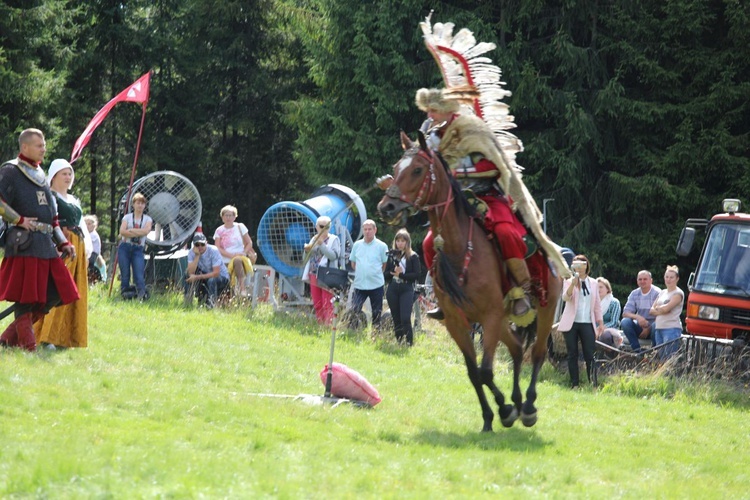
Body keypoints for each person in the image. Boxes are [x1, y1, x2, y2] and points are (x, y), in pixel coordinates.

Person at [411, 88, 566, 327]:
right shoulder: (431, 136)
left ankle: (520, 292)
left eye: (433, 109)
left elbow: (494, 166)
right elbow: (419, 164)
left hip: (487, 196)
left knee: (505, 233)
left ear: (446, 109)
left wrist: (456, 172)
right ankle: (445, 297)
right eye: (427, 110)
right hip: (455, 201)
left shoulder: (472, 130)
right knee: (429, 243)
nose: (429, 114)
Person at [0, 129, 79, 351]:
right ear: (25, 147)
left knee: (54, 294)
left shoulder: (41, 174)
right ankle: (28, 347)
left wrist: (63, 241)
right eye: (38, 145)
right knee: (26, 299)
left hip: (45, 245)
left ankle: (6, 339)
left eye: (43, 144)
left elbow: (52, 217)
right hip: (24, 243)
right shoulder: (10, 171)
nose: (43, 148)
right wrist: (18, 219)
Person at [33, 159, 92, 350]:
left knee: (75, 291)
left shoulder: (73, 200)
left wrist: (87, 249)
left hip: (78, 245)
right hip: (62, 245)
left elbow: (82, 225)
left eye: (69, 174)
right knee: (57, 291)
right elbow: (49, 223)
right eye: (63, 174)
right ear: (54, 176)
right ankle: (47, 336)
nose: (67, 177)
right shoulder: (50, 197)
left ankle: (67, 337)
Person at [558, 255, 604, 388]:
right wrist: (573, 284)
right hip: (571, 323)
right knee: (572, 354)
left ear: (586, 266)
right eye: (576, 265)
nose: (579, 267)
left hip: (587, 322)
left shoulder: (594, 283)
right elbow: (565, 298)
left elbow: (596, 305)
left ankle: (593, 384)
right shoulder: (569, 281)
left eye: (582, 264)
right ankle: (575, 384)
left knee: (590, 354)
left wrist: (600, 322)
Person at [348, 219, 388, 329]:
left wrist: (373, 272)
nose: (367, 232)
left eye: (370, 229)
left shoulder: (382, 246)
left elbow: (384, 264)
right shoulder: (357, 245)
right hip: (360, 285)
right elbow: (353, 263)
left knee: (376, 312)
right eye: (365, 229)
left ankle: (375, 333)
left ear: (375, 230)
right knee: (354, 309)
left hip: (376, 284)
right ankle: (354, 331)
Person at [302, 215, 342, 325]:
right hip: (313, 273)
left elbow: (333, 256)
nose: (324, 229)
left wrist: (322, 244)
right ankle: (320, 324)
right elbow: (305, 259)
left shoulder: (334, 239)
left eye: (327, 226)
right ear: (316, 227)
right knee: (317, 302)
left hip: (327, 274)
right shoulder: (313, 238)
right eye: (321, 226)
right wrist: (306, 251)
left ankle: (328, 326)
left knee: (327, 302)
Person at [384, 229, 421, 345]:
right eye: (398, 241)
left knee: (405, 317)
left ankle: (409, 343)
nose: (400, 243)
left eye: (402, 241)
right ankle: (399, 342)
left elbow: (416, 274)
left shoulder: (413, 256)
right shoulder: (391, 256)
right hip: (393, 288)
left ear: (407, 242)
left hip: (406, 288)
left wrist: (402, 275)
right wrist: (392, 272)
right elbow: (385, 275)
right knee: (396, 318)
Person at [213, 205, 257, 297]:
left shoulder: (240, 227)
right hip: (225, 259)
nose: (228, 217)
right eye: (226, 215)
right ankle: (228, 297)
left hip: (240, 257)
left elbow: (249, 242)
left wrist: (244, 253)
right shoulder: (219, 230)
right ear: (222, 217)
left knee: (237, 260)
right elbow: (217, 247)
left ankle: (242, 288)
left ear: (234, 216)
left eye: (230, 215)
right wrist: (231, 255)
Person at [117, 192, 153, 300]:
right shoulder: (127, 217)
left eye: (142, 203)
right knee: (125, 273)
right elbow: (122, 232)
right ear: (133, 204)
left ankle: (141, 295)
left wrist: (131, 230)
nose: (140, 205)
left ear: (145, 206)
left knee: (138, 273)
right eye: (138, 203)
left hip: (138, 248)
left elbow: (146, 231)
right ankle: (125, 294)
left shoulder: (147, 219)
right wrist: (139, 232)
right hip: (125, 247)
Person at [184, 232, 230, 308]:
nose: (200, 247)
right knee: (187, 275)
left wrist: (197, 277)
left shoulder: (213, 250)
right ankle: (188, 303)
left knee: (212, 280)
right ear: (194, 245)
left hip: (222, 277)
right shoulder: (192, 253)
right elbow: (190, 272)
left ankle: (211, 306)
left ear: (206, 243)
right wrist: (197, 256)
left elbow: (216, 273)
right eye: (197, 245)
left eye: (202, 244)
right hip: (206, 275)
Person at [620, 270, 661, 352]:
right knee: (625, 322)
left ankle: (655, 353)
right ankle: (637, 351)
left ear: (651, 280)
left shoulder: (657, 293)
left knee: (656, 325)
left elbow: (661, 315)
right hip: (640, 326)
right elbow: (625, 313)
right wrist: (637, 317)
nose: (642, 281)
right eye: (640, 279)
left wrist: (648, 329)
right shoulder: (634, 294)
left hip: (654, 327)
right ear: (637, 281)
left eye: (645, 279)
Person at [650, 265, 684, 360]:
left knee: (669, 358)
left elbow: (666, 309)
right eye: (666, 277)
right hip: (659, 328)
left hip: (671, 329)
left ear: (677, 279)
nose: (668, 279)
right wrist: (661, 309)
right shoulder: (662, 292)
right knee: (662, 357)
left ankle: (670, 375)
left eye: (671, 277)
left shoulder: (678, 293)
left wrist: (660, 309)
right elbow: (651, 310)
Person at [596, 277, 623, 348]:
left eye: (601, 287)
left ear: (607, 289)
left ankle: (609, 354)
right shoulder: (592, 302)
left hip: (609, 330)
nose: (598, 289)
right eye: (596, 287)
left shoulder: (614, 302)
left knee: (605, 336)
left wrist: (600, 329)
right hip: (594, 329)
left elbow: (614, 322)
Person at [84, 214, 107, 283]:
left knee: (89, 264)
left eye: (89, 224)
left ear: (94, 225)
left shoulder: (93, 235)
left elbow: (86, 242)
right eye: (85, 224)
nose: (87, 226)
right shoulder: (87, 234)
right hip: (88, 253)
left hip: (93, 253)